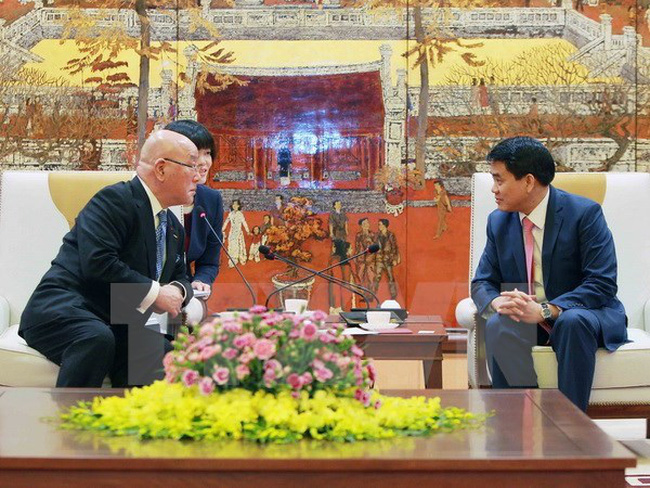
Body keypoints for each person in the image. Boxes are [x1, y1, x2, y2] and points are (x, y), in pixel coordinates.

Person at [19, 130, 198, 388]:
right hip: (67, 308)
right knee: (95, 338)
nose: (198, 176)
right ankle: (68, 426)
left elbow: (182, 277)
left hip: (117, 318)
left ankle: (135, 425)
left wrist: (178, 291)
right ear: (161, 168)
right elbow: (98, 262)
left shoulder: (171, 227)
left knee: (158, 350)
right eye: (192, 165)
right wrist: (156, 293)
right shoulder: (115, 200)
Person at [471, 136, 627, 412]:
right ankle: (517, 421)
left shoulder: (584, 214)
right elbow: (483, 281)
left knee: (572, 322)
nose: (494, 189)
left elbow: (602, 283)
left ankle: (570, 427)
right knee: (499, 325)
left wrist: (547, 310)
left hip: (583, 313)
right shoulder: (498, 221)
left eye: (499, 180)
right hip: (528, 319)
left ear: (529, 181)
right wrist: (498, 303)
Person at [165, 120, 223, 297]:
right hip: (141, 292)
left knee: (195, 315)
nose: (204, 162)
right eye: (196, 154)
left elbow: (209, 262)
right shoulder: (154, 198)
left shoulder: (211, 200)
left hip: (184, 291)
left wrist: (201, 280)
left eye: (207, 153)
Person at [372, 219, 400, 300]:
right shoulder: (377, 235)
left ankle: (393, 295)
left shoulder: (390, 235)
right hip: (379, 259)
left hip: (388, 259)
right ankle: (372, 294)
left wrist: (393, 258)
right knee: (376, 277)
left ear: (384, 225)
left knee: (390, 278)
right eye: (378, 224)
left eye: (380, 224)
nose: (379, 226)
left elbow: (394, 247)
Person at [222, 199, 250, 267]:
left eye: (236, 204)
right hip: (232, 232)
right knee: (231, 245)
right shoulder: (230, 214)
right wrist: (222, 229)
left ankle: (239, 258)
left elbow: (244, 222)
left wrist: (247, 231)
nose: (235, 206)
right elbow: (226, 222)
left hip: (238, 232)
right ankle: (232, 259)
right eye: (233, 204)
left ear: (239, 206)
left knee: (238, 245)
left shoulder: (240, 214)